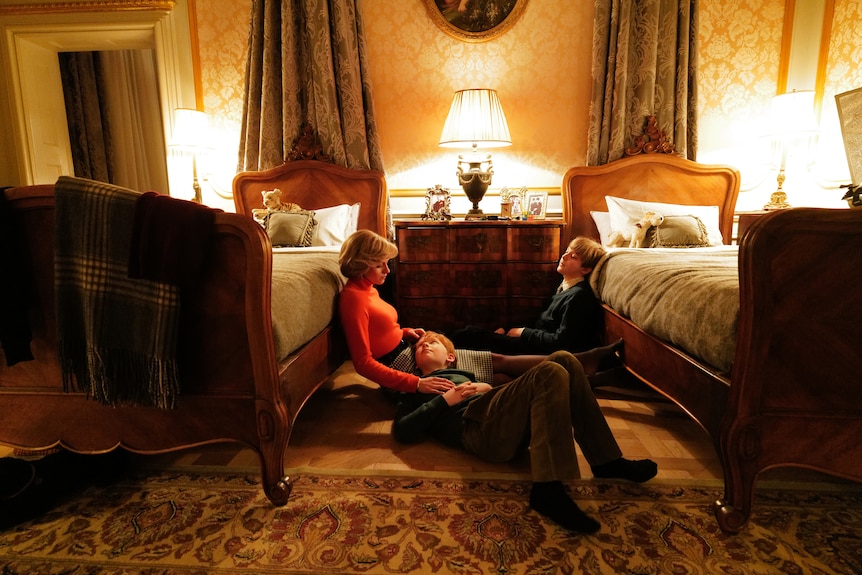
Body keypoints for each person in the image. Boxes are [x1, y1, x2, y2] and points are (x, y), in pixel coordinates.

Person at [391, 331, 657, 533]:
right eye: (419, 346)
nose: (424, 344)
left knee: (564, 359)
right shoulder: (416, 387)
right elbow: (403, 430)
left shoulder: (464, 373)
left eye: (432, 343)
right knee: (551, 369)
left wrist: (483, 387)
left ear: (450, 357)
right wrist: (444, 400)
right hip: (478, 433)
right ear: (415, 362)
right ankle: (547, 489)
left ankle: (606, 460)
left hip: (499, 420)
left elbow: (498, 398)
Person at [338, 230, 622, 393]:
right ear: (362, 263)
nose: (388, 270)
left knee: (498, 366)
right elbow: (362, 362)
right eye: (381, 265)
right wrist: (416, 384)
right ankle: (579, 367)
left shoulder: (368, 288)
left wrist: (405, 332)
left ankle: (579, 371)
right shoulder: (353, 298)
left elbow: (379, 329)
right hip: (401, 367)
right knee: (498, 366)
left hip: (406, 350)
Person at [450, 236, 607, 355]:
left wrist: (523, 332)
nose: (564, 256)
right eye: (567, 251)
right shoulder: (563, 287)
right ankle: (434, 340)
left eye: (574, 257)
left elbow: (561, 342)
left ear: (586, 269)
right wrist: (508, 328)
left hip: (539, 349)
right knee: (474, 334)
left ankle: (433, 342)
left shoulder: (579, 296)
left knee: (472, 335)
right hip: (532, 340)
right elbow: (538, 319)